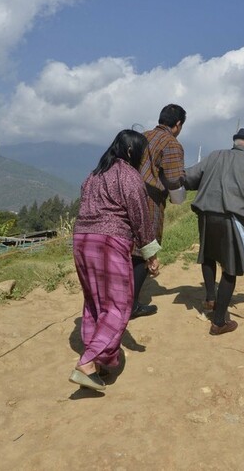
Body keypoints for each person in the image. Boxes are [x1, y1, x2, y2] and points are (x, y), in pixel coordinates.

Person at [70, 130, 161, 391]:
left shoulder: (93, 175)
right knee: (119, 306)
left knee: (95, 302)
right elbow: (140, 216)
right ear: (132, 152)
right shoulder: (128, 175)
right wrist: (150, 254)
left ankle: (100, 364)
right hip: (110, 241)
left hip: (82, 240)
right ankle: (88, 364)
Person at [183, 128, 244, 335]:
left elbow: (189, 177)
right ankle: (218, 322)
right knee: (230, 267)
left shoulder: (215, 155)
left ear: (236, 142)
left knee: (208, 255)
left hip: (206, 215)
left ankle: (210, 299)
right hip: (231, 218)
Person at [131, 104, 187, 319]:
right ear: (178, 124)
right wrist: (179, 194)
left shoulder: (142, 136)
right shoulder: (171, 144)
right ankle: (132, 305)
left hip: (128, 198)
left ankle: (121, 298)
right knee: (144, 250)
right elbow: (173, 180)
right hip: (150, 202)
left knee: (129, 248)